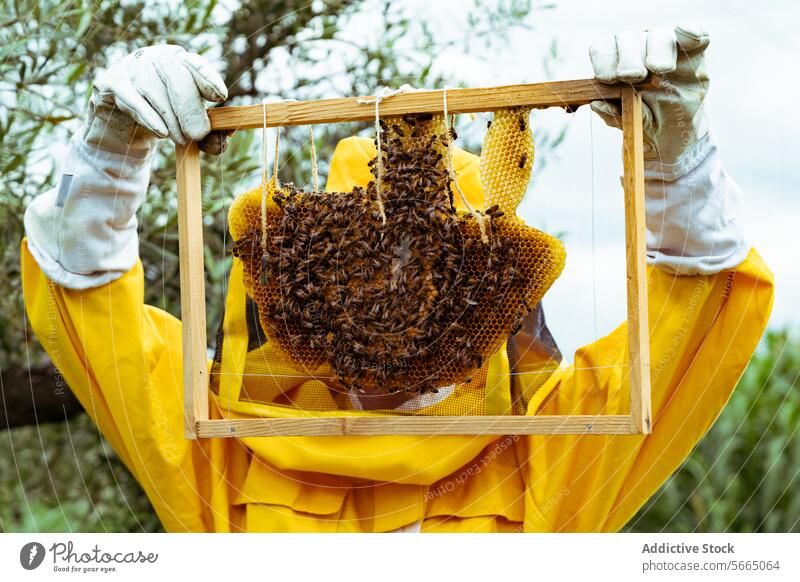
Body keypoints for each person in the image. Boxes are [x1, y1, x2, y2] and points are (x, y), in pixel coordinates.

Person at [21, 25, 773, 532]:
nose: (396, 286)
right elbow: (97, 324)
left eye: (430, 259)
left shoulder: (553, 450)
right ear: (301, 278)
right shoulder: (222, 451)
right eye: (362, 254)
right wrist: (107, 162)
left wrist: (675, 156)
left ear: (484, 287)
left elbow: (695, 317)